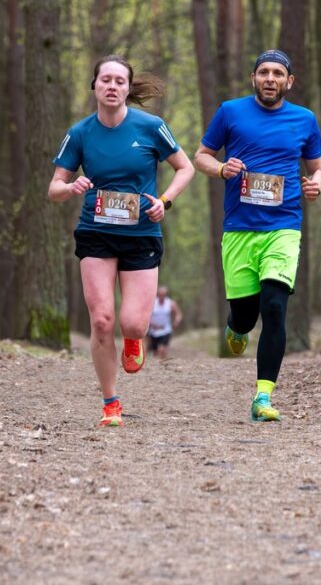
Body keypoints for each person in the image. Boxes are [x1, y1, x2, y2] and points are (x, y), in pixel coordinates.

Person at [49, 54, 195, 427]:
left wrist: (165, 202)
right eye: (105, 80)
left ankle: (134, 340)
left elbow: (185, 167)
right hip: (95, 232)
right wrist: (70, 186)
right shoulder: (80, 133)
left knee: (131, 324)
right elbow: (54, 188)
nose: (112, 86)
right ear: (94, 86)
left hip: (141, 233)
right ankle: (110, 403)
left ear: (128, 89)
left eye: (119, 81)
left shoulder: (151, 127)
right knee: (101, 320)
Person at [193, 49, 321, 422]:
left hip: (284, 226)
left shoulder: (305, 119)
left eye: (278, 73)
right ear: (253, 78)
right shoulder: (230, 112)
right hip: (239, 229)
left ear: (289, 81)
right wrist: (221, 168)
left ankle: (262, 397)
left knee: (274, 306)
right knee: (247, 316)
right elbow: (200, 156)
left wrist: (316, 185)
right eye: (264, 72)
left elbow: (318, 170)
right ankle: (236, 327)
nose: (271, 78)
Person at [147, 286, 183, 363]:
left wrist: (176, 321)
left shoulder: (170, 303)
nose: (161, 297)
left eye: (163, 295)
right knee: (155, 352)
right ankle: (157, 366)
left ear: (166, 295)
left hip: (165, 330)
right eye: (160, 295)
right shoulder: (152, 303)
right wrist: (151, 324)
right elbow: (146, 315)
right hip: (153, 330)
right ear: (157, 294)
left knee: (162, 349)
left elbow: (178, 314)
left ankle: (164, 364)